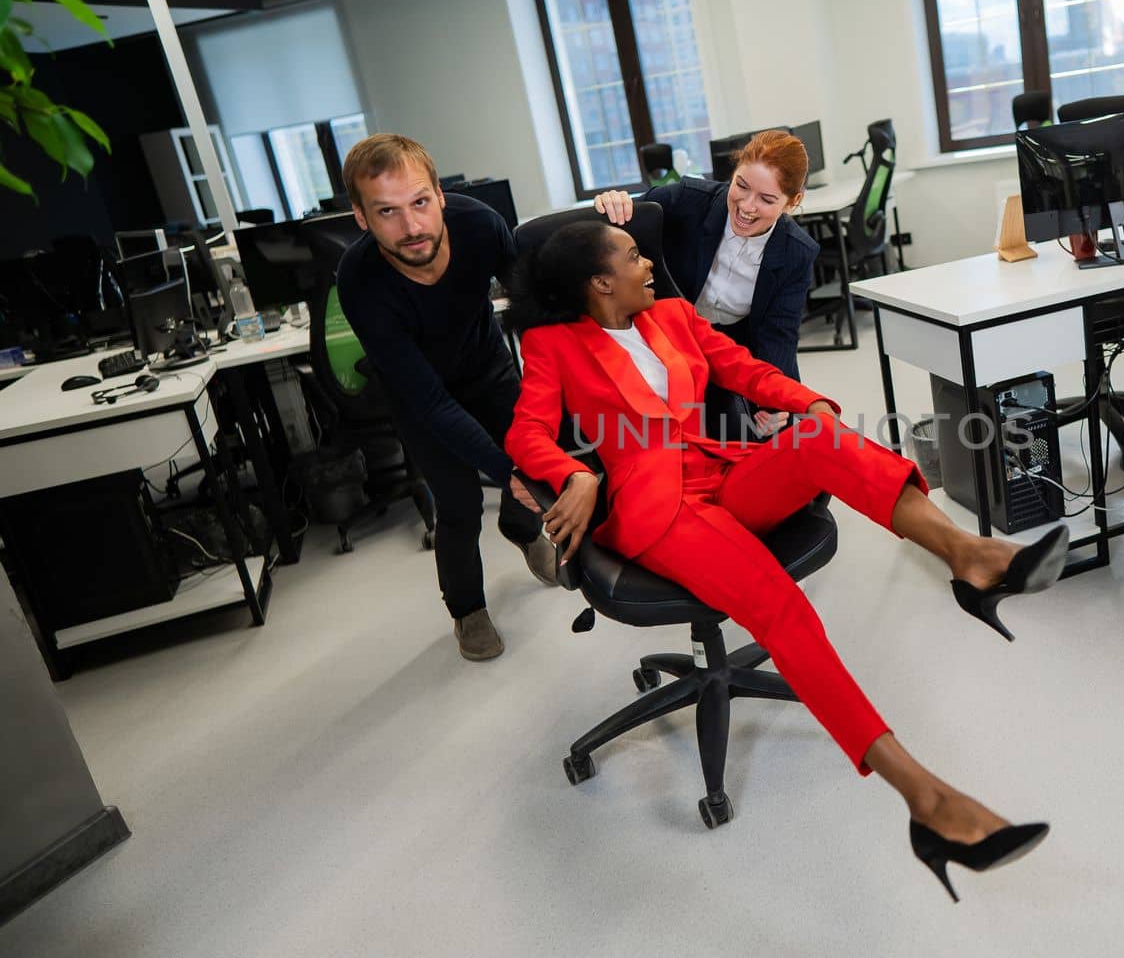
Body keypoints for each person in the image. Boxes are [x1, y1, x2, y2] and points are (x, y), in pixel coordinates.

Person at [504, 220, 1067, 899]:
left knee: (822, 437)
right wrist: (579, 475)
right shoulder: (552, 345)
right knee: (784, 612)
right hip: (660, 511)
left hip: (722, 474)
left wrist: (811, 404)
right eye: (631, 256)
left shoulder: (675, 316)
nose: (648, 260)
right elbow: (526, 433)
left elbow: (745, 370)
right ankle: (929, 803)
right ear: (599, 282)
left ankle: (971, 558)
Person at [335, 134, 551, 662]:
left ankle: (522, 532)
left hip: (488, 366)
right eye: (387, 211)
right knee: (458, 505)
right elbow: (430, 403)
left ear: (439, 194)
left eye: (420, 203)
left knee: (532, 462)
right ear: (361, 217)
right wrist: (505, 474)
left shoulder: (479, 225)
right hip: (421, 395)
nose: (411, 228)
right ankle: (467, 610)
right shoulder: (360, 281)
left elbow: (533, 311)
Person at [594, 130, 818, 437]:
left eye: (767, 199)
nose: (748, 206)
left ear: (792, 202)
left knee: (781, 434)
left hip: (730, 347)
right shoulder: (688, 199)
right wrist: (614, 202)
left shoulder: (796, 252)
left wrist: (776, 400)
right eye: (741, 186)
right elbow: (624, 222)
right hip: (664, 338)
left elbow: (778, 336)